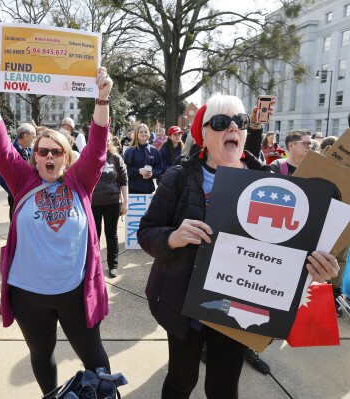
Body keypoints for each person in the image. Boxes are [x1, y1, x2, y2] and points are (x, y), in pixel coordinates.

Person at [137, 93, 340, 399]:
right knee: (182, 379)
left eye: (240, 122)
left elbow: (292, 250)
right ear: (203, 134)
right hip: (183, 303)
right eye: (220, 122)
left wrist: (319, 268)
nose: (232, 128)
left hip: (240, 307)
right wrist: (171, 238)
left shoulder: (269, 182)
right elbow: (146, 231)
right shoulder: (179, 178)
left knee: (223, 387)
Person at [0, 61, 113, 395]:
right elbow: (1, 148)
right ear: (34, 156)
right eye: (42, 151)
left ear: (66, 157)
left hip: (74, 292)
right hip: (28, 294)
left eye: (56, 152)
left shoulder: (80, 180)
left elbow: (96, 150)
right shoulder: (23, 180)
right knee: (41, 354)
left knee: (94, 357)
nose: (48, 156)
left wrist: (102, 100)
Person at [91, 133, 128, 278]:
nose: (104, 143)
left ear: (110, 142)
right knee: (94, 236)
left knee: (111, 234)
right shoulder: (90, 157)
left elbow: (124, 180)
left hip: (112, 202)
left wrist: (125, 202)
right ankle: (94, 265)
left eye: (106, 140)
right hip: (93, 204)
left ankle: (113, 265)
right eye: (101, 139)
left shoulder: (116, 158)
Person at [0, 123, 36, 220]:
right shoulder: (11, 152)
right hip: (16, 197)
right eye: (33, 136)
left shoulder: (28, 150)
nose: (34, 139)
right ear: (26, 136)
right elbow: (2, 179)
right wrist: (15, 193)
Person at [123, 123, 164, 194]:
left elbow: (160, 168)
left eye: (145, 132)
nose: (143, 133)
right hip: (132, 189)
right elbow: (124, 170)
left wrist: (152, 173)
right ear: (136, 134)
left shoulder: (153, 150)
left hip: (148, 189)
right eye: (141, 132)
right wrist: (138, 171)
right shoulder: (130, 150)